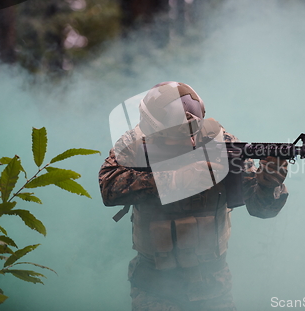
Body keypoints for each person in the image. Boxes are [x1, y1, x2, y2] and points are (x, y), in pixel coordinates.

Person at [99, 81, 289, 311]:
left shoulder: (222, 142)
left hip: (212, 286)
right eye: (178, 136)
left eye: (192, 133)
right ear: (153, 126)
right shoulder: (133, 143)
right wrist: (177, 179)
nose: (190, 142)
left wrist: (269, 186)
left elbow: (261, 209)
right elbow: (109, 188)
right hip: (154, 285)